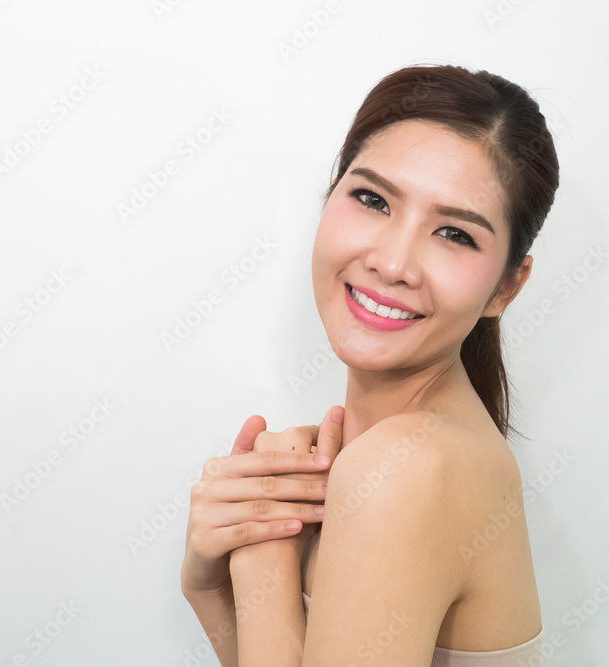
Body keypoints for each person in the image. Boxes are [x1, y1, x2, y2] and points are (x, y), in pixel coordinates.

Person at [181, 62, 560, 666]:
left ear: (506, 289)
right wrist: (211, 590)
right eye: (372, 198)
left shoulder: (410, 469)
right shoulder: (383, 461)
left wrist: (263, 562)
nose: (394, 262)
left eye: (455, 235)